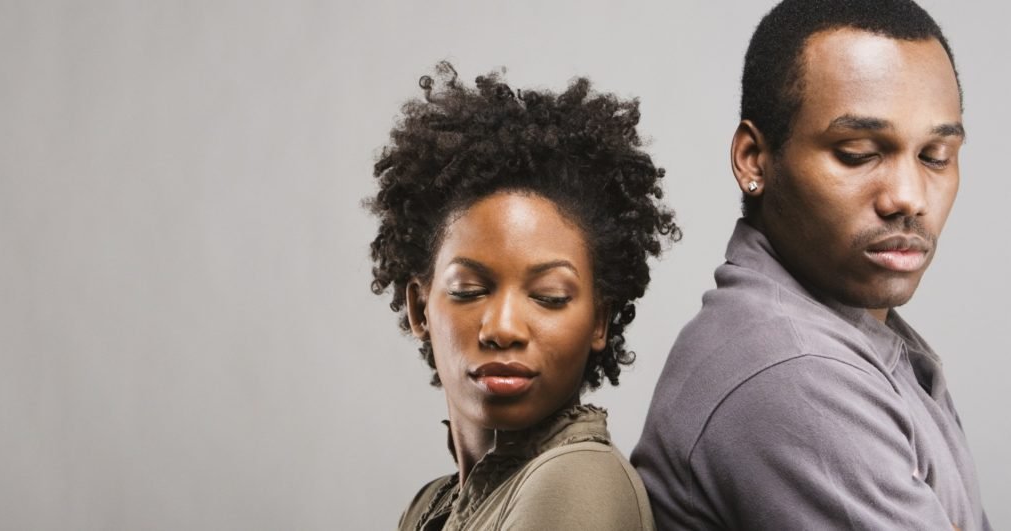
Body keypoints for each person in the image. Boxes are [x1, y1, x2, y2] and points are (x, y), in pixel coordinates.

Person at [631, 0, 990, 529]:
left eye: (934, 156)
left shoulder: (855, 335)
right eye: (858, 152)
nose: (909, 197)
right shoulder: (794, 370)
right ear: (754, 159)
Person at [369, 62, 678, 530]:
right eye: (470, 291)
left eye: (549, 296)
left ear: (599, 321)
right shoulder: (430, 506)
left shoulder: (576, 482)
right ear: (419, 308)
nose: (503, 328)